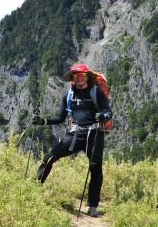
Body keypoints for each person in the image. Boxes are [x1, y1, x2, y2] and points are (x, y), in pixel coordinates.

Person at [31, 63, 113, 217]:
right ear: (73, 78)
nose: (79, 78)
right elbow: (60, 118)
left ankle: (92, 206)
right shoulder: (69, 94)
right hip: (75, 134)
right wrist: (42, 121)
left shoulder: (96, 92)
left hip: (94, 134)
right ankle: (35, 188)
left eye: (82, 75)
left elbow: (108, 111)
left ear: (87, 76)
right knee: (50, 157)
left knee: (95, 169)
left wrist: (104, 116)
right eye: (76, 76)